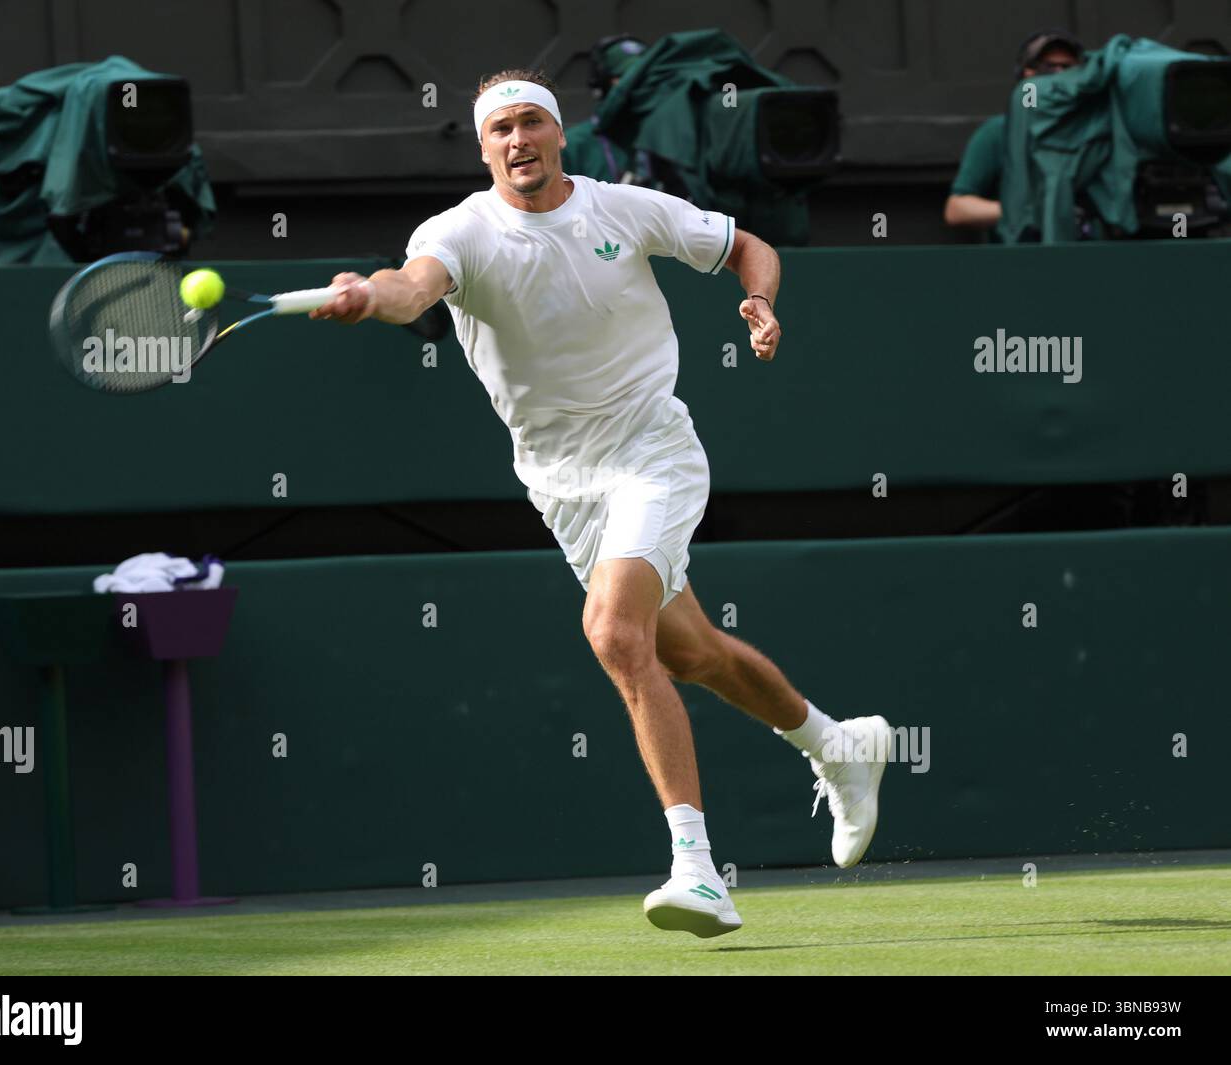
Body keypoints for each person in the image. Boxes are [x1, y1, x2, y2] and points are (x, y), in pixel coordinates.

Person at [310, 69, 891, 938]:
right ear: (483, 148)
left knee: (613, 634)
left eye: (531, 124)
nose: (518, 141)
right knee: (689, 652)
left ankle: (697, 868)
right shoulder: (458, 231)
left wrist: (759, 303)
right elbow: (412, 286)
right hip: (560, 485)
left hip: (652, 451)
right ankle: (838, 746)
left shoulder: (626, 209)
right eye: (500, 129)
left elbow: (748, 245)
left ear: (558, 134)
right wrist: (369, 295)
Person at [944, 31, 1084, 237]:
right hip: (1020, 257)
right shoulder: (998, 132)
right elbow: (957, 209)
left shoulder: (1092, 130)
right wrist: (1024, 213)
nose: (1058, 74)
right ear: (1027, 74)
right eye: (1048, 66)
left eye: (1067, 67)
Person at [560, 35, 647, 184]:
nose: (638, 84)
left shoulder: (668, 137)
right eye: (626, 77)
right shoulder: (573, 146)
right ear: (604, 83)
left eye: (644, 76)